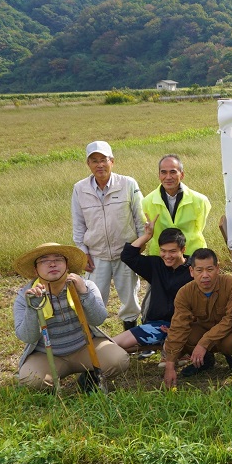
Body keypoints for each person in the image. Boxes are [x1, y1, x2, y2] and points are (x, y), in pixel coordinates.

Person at [13, 242, 129, 392]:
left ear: (67, 266)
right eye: (44, 261)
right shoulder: (25, 295)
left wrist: (84, 293)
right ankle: (50, 383)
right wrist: (32, 307)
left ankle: (89, 378)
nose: (52, 263)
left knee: (119, 360)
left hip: (85, 347)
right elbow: (27, 337)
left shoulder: (85, 285)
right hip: (48, 354)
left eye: (58, 259)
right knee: (31, 380)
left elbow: (98, 319)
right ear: (36, 270)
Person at [72, 141, 145, 330]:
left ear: (112, 161)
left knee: (130, 298)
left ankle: (132, 338)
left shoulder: (128, 184)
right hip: (96, 254)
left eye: (103, 160)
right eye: (94, 160)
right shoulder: (80, 188)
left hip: (126, 252)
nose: (99, 165)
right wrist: (83, 252)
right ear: (88, 164)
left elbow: (140, 217)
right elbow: (78, 224)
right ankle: (93, 341)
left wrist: (138, 247)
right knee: (93, 298)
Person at [162, 248, 232, 388]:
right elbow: (179, 326)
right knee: (186, 335)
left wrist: (204, 343)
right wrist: (170, 365)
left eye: (209, 269)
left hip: (226, 334)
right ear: (192, 271)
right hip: (202, 331)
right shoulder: (184, 293)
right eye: (199, 270)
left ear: (217, 269)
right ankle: (204, 361)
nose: (205, 275)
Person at [114, 224, 192, 355]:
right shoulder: (156, 265)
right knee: (114, 343)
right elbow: (127, 255)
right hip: (157, 325)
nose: (167, 255)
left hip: (184, 327)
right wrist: (147, 236)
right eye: (163, 250)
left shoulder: (193, 270)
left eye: (172, 251)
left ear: (183, 249)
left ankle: (176, 352)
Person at [140, 154, 212, 256]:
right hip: (161, 257)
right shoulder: (147, 201)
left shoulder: (200, 200)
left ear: (182, 175)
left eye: (173, 172)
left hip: (192, 255)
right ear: (159, 175)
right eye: (163, 172)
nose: (168, 177)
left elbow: (200, 227)